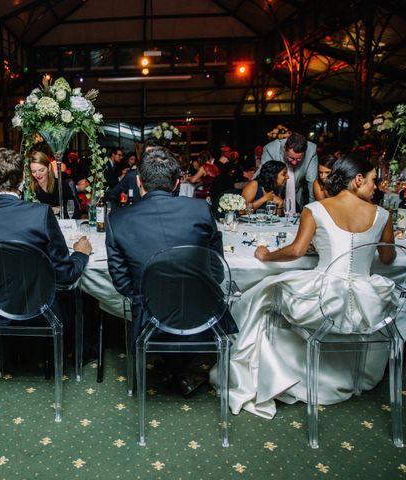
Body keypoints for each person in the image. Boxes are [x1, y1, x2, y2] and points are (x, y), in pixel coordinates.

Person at [211, 154, 396, 419]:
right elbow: (388, 258)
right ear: (357, 179)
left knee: (262, 295)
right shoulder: (382, 214)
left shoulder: (316, 209)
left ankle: (273, 373)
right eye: (371, 181)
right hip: (367, 301)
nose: (374, 187)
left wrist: (266, 256)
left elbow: (296, 251)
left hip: (325, 300)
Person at [106, 147, 237, 397]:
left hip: (150, 319)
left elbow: (122, 284)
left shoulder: (118, 220)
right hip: (203, 316)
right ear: (177, 183)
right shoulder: (199, 210)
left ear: (139, 182)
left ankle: (174, 370)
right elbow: (216, 270)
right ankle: (182, 372)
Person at [0, 148, 92, 285]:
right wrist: (80, 253)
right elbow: (65, 275)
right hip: (37, 302)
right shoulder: (40, 214)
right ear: (22, 179)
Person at [260, 132, 318, 214]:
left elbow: (312, 182)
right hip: (274, 194)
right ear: (285, 148)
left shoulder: (311, 150)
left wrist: (313, 211)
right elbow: (264, 178)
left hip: (296, 196)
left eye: (299, 159)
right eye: (291, 158)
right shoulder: (270, 149)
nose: (294, 163)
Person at [28, 150, 80, 219]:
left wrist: (60, 208)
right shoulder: (29, 190)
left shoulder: (61, 185)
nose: (38, 175)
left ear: (49, 167)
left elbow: (76, 211)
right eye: (34, 171)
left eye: (41, 170)